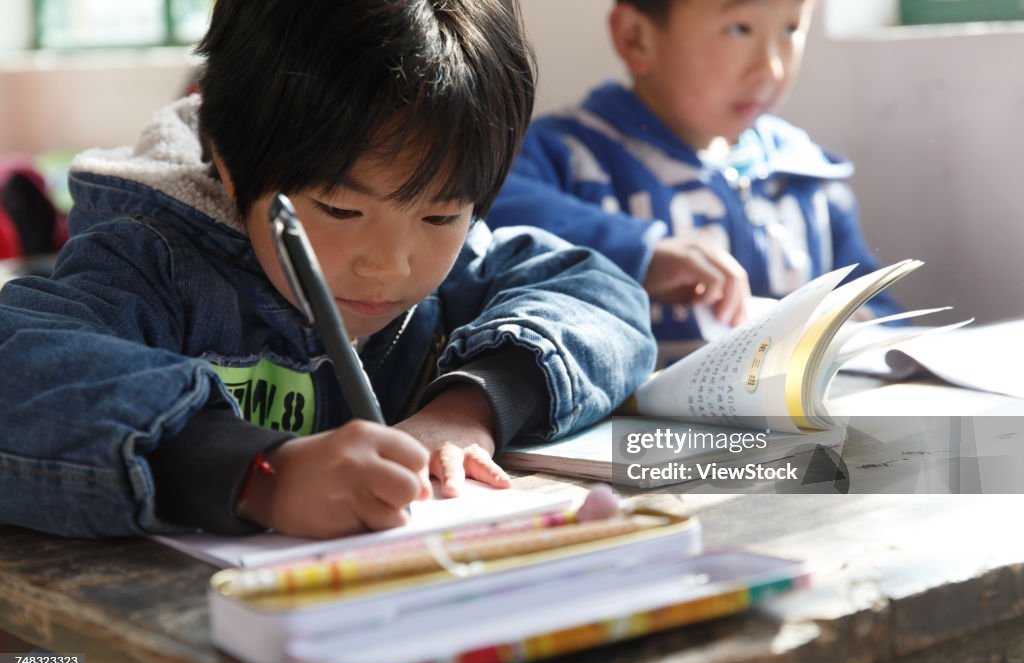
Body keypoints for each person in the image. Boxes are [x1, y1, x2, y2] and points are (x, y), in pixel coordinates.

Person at [0, 0, 656, 541]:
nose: (390, 264)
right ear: (231, 165)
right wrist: (256, 472)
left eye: (440, 216)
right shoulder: (151, 262)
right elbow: (20, 369)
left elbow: (599, 295)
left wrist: (471, 405)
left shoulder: (460, 269)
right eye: (341, 209)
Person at [488, 0, 902, 363]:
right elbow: (483, 211)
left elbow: (874, 304)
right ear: (636, 39)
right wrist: (640, 252)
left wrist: (856, 321)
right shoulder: (565, 154)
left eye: (791, 28)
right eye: (740, 28)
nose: (771, 67)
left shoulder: (806, 174)